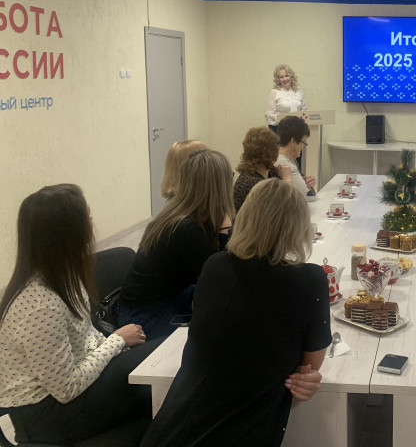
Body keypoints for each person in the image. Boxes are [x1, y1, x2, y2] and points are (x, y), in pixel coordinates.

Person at [139, 178, 330, 446]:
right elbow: (309, 366)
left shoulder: (214, 265)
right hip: (243, 433)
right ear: (299, 227)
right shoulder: (310, 279)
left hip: (171, 430)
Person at [0, 184, 161, 445]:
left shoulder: (64, 276)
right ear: (66, 232)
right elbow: (67, 388)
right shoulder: (39, 307)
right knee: (160, 364)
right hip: (46, 416)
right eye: (85, 215)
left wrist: (116, 347)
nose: (91, 219)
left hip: (68, 393)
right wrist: (117, 341)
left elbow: (85, 339)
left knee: (158, 366)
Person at [118, 149, 235, 339]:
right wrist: (224, 229)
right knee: (225, 319)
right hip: (144, 313)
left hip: (169, 294)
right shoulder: (185, 227)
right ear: (218, 185)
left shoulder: (185, 213)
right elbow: (220, 274)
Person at [233, 126, 292, 212]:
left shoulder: (269, 173)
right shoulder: (251, 182)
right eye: (276, 146)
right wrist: (287, 180)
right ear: (270, 153)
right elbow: (284, 210)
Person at [277, 115, 317, 201]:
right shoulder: (285, 164)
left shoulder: (287, 159)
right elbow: (309, 197)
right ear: (293, 141)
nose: (303, 147)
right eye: (303, 143)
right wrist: (310, 188)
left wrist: (304, 181)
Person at [265, 64, 308, 130]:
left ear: (291, 77)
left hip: (298, 129)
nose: (284, 79)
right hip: (280, 129)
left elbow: (305, 112)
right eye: (281, 77)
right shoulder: (274, 92)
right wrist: (284, 119)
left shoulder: (299, 92)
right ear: (278, 79)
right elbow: (269, 115)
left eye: (287, 76)